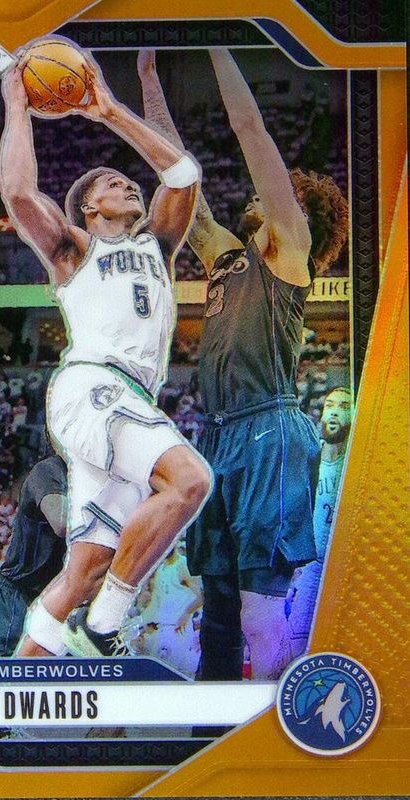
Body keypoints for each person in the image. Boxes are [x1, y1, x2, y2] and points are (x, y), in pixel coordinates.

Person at [137, 48, 348, 678]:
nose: (261, 189)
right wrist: (148, 79)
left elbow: (249, 128)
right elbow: (177, 174)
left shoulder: (290, 252)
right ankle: (215, 730)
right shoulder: (227, 257)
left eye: (280, 191)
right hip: (218, 434)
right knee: (219, 621)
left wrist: (217, 36)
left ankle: (286, 720)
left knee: (260, 616)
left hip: (269, 432)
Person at [0, 41, 211, 658]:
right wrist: (16, 103)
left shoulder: (157, 244)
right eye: (115, 184)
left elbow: (183, 175)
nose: (129, 185)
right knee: (190, 480)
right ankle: (105, 626)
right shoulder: (74, 249)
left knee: (84, 572)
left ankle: (14, 693)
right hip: (93, 385)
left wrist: (111, 110)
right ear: (90, 207)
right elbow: (18, 194)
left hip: (128, 397)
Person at [0, 454, 68, 656]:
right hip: (17, 598)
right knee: (0, 674)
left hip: (55, 602)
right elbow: (62, 523)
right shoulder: (50, 469)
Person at [286, 387, 352, 657]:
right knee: (295, 644)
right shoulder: (308, 458)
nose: (334, 412)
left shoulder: (356, 465)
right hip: (310, 567)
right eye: (330, 405)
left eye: (344, 407)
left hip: (344, 569)